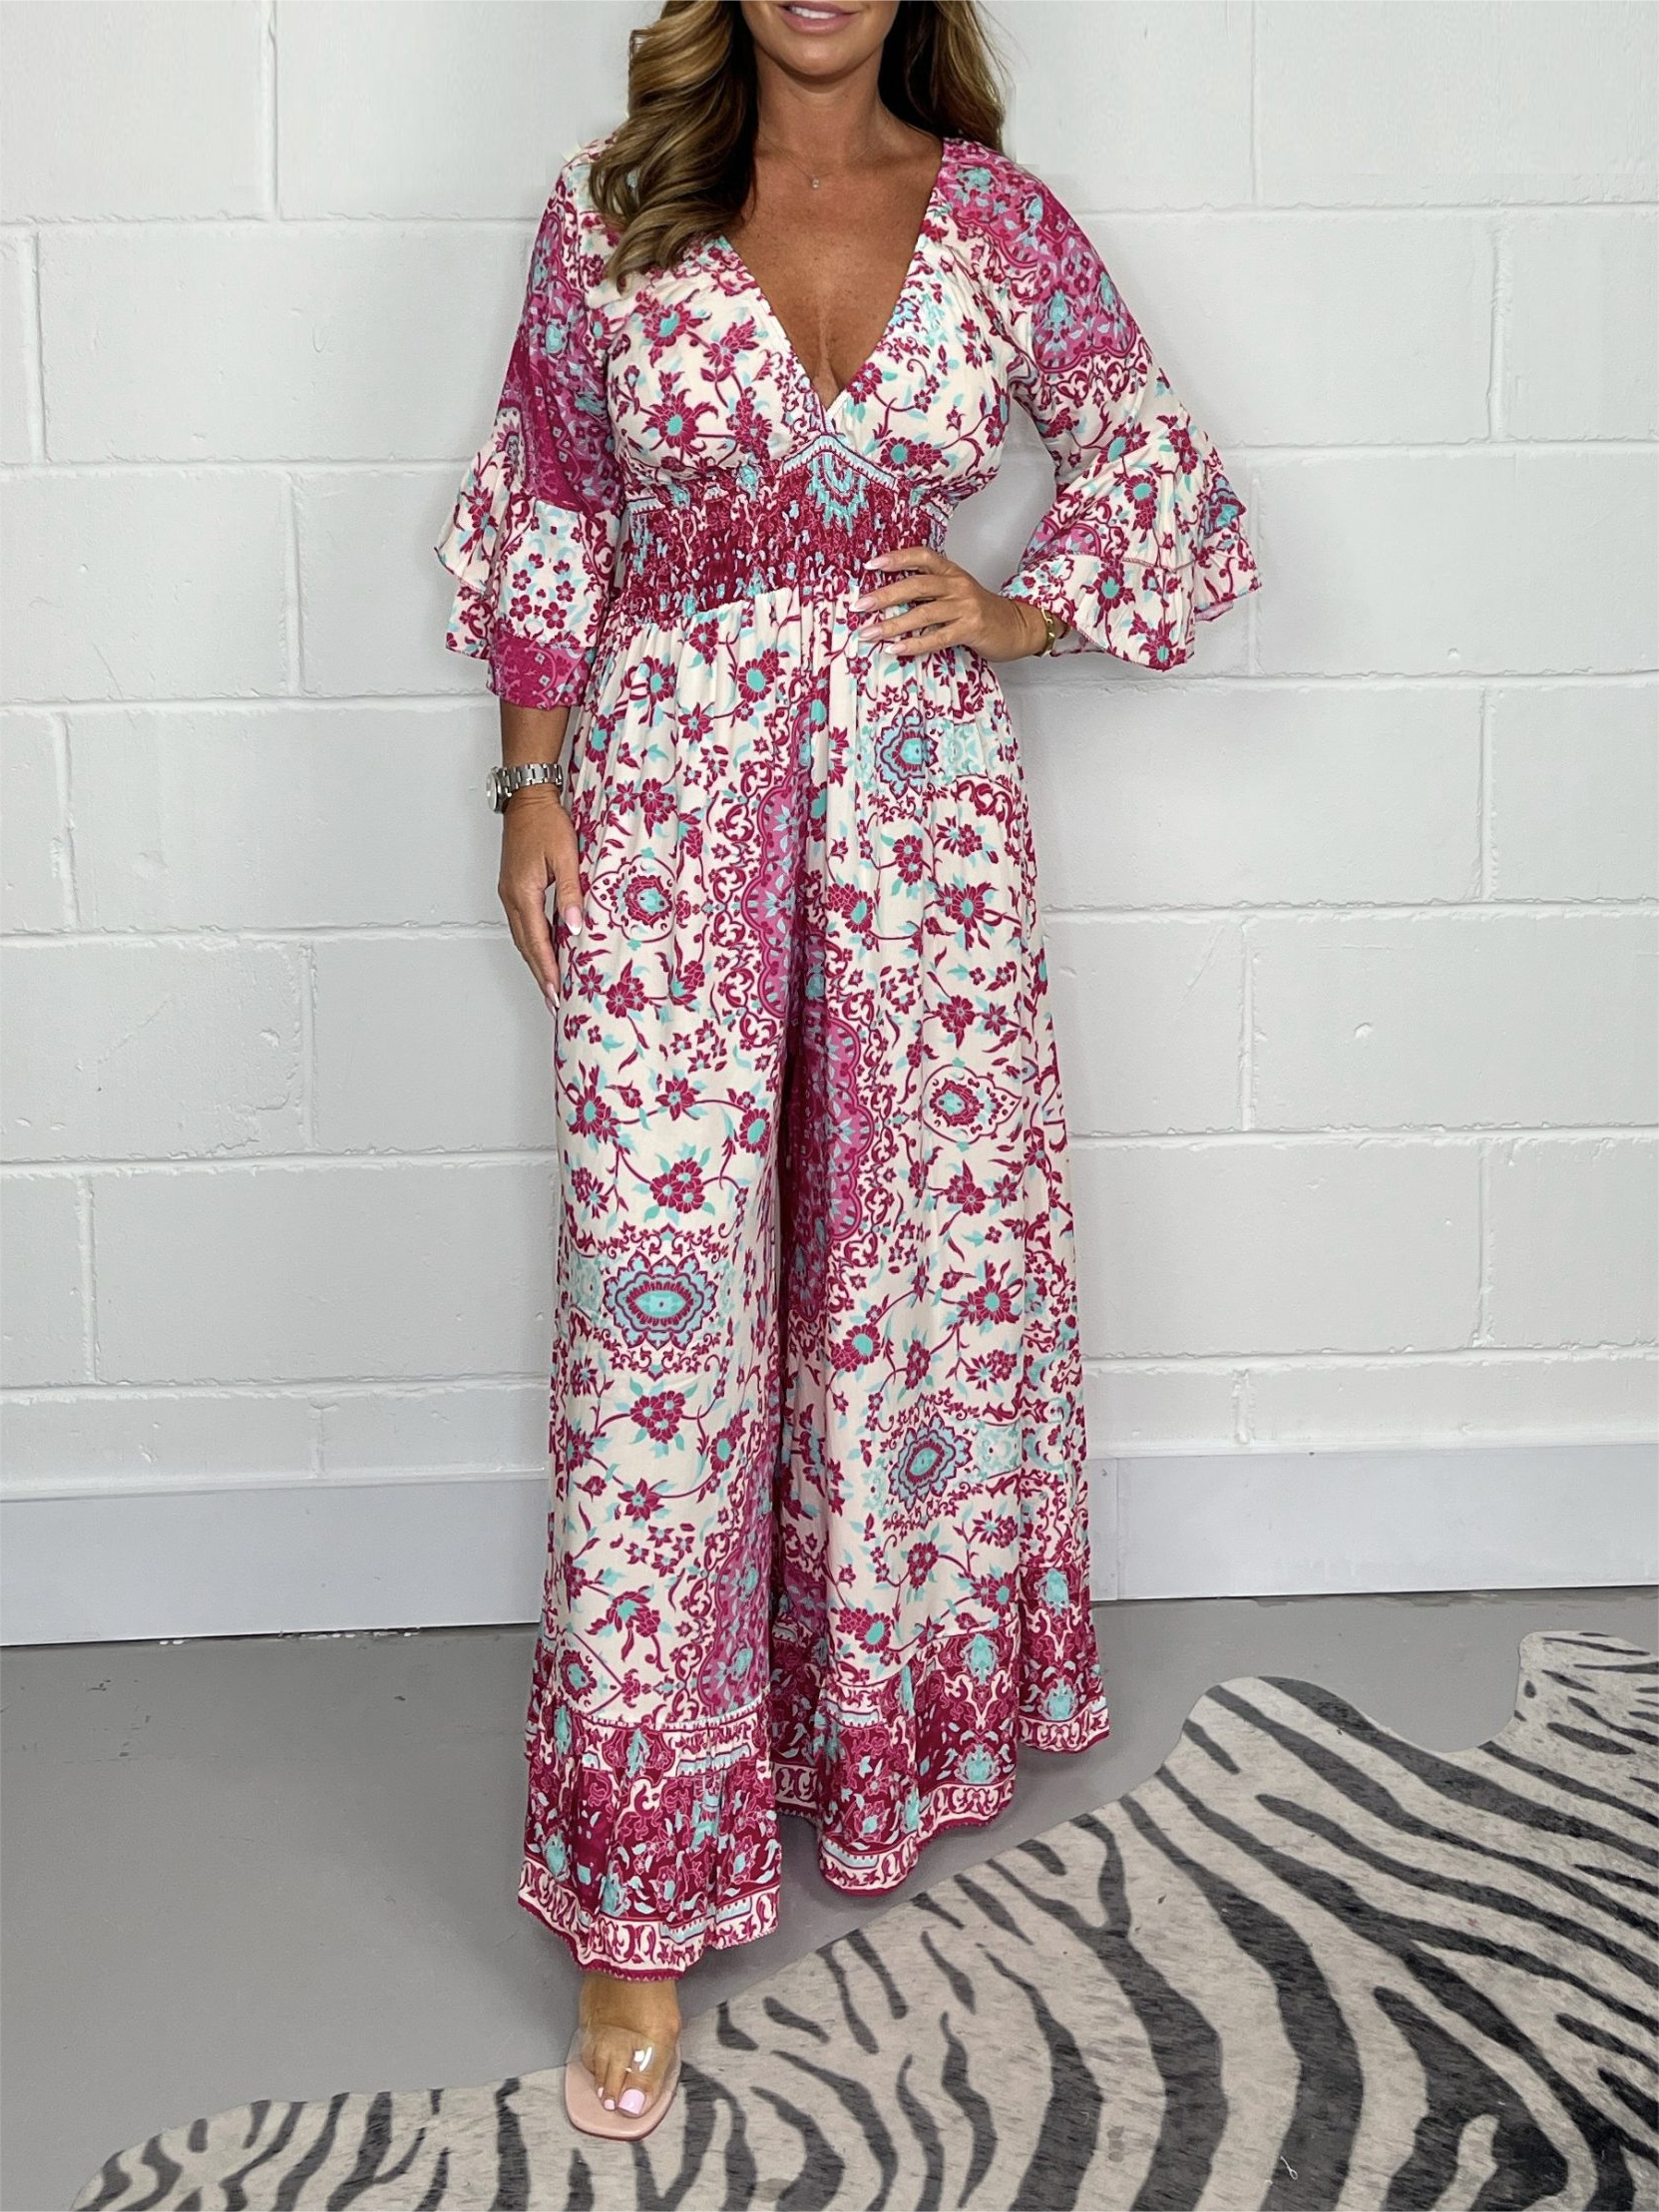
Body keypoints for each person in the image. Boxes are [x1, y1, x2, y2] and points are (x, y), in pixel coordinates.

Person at [435, 0, 1260, 2142]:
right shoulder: (615, 208)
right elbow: (549, 502)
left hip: (918, 801)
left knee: (901, 1286)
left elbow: (1159, 471)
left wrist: (1020, 614)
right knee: (662, 1312)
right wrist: (529, 783)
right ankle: (635, 1900)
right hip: (672, 781)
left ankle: (857, 1739)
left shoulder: (996, 218)